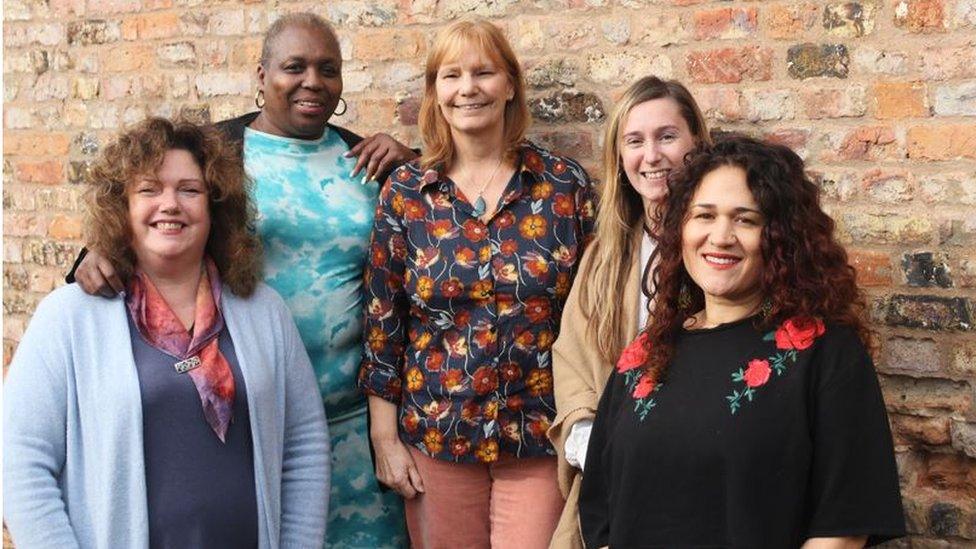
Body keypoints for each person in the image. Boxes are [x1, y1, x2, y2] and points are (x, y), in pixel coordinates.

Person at [66, 13, 415, 548]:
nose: (312, 82)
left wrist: (414, 163)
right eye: (293, 67)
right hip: (245, 421)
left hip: (351, 425)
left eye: (328, 69)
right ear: (260, 75)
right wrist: (96, 254)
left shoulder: (364, 161)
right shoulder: (219, 153)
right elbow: (154, 211)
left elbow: (436, 237)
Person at [3, 118, 330, 548]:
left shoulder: (263, 312)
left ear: (215, 206)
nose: (170, 204)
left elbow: (305, 446)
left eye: (190, 190)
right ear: (121, 208)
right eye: (149, 190)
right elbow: (18, 461)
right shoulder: (69, 318)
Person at [579, 135, 905, 548]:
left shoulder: (826, 356)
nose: (720, 236)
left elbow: (841, 529)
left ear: (782, 237)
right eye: (704, 215)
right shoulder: (645, 354)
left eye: (745, 219)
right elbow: (601, 513)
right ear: (681, 228)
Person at [358, 18, 596, 549]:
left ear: (510, 84)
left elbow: (592, 311)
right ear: (435, 92)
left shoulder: (563, 186)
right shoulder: (407, 192)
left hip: (538, 436)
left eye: (484, 72)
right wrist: (383, 437)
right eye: (451, 75)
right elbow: (383, 320)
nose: (468, 88)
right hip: (436, 436)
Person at [546, 76, 712, 549]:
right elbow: (574, 359)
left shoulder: (724, 252)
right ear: (620, 160)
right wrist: (594, 448)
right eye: (635, 141)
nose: (652, 156)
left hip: (705, 473)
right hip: (618, 480)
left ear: (697, 142)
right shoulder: (604, 257)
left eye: (667, 136)